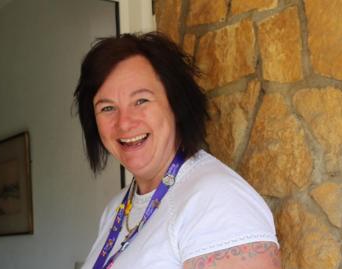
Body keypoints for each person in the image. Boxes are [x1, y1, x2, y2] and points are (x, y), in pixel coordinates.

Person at [74, 32, 280, 269]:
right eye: (108, 108)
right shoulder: (116, 209)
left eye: (141, 101)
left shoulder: (218, 200)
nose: (124, 123)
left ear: (176, 103)